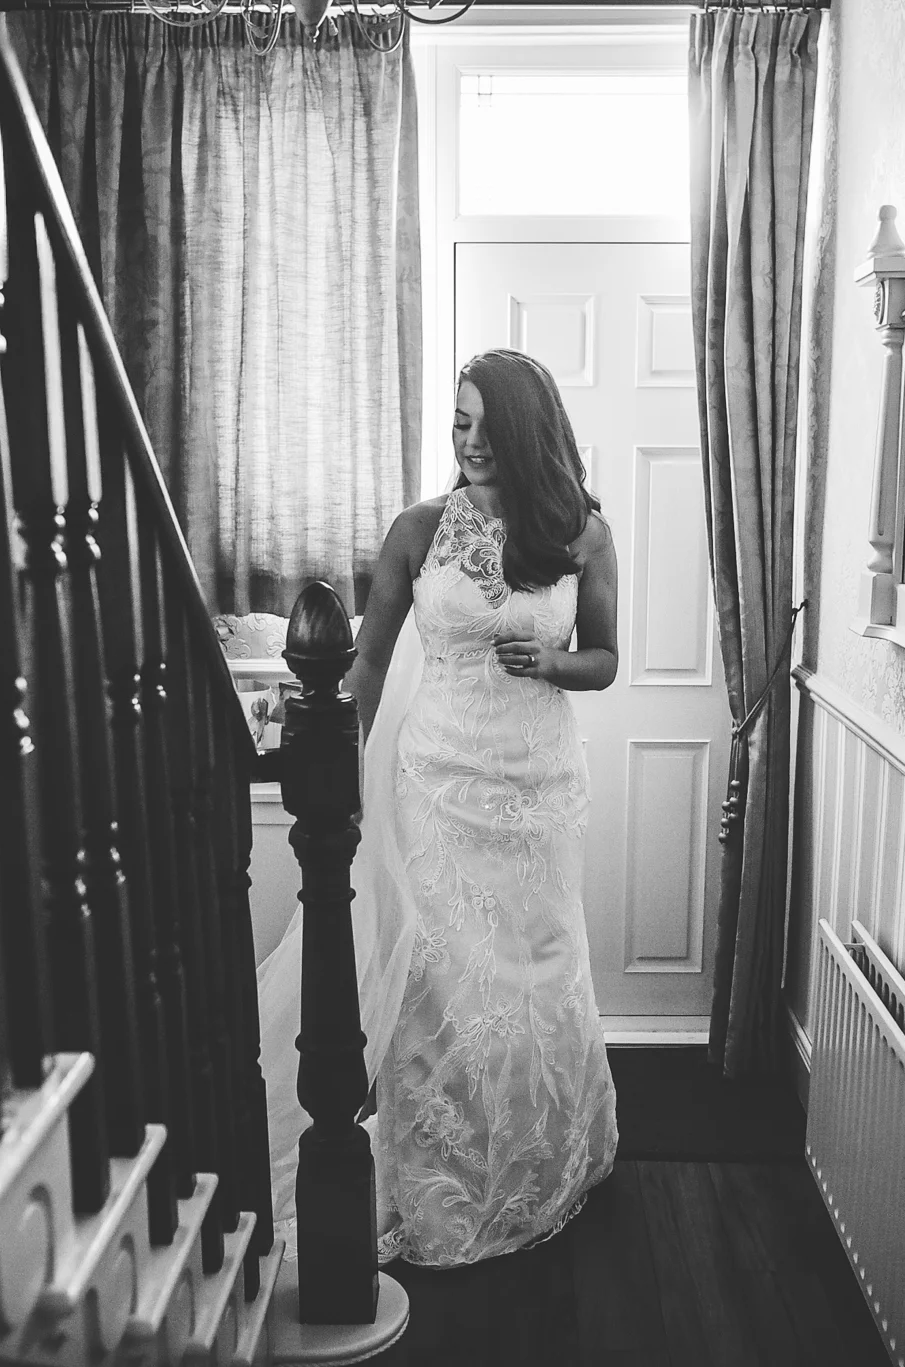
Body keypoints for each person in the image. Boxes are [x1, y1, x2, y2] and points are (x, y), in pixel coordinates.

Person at [255, 348, 620, 1267]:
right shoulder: (419, 528)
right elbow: (368, 660)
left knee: (535, 970)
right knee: (438, 975)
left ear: (529, 435)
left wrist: (554, 664)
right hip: (434, 782)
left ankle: (532, 1156)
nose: (470, 444)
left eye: (488, 430)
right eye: (459, 426)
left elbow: (606, 659)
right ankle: (430, 1163)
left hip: (534, 786)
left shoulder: (581, 533)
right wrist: (347, 768)